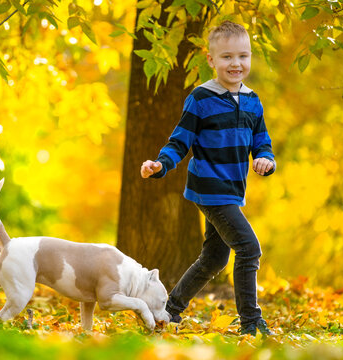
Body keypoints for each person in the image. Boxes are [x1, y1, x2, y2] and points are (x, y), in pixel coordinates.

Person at [140, 21, 275, 336]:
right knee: (249, 249)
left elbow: (262, 142)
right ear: (212, 61)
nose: (236, 64)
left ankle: (169, 311)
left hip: (232, 190)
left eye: (243, 56)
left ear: (250, 58)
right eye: (227, 57)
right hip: (209, 188)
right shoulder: (200, 98)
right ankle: (251, 322)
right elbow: (180, 142)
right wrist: (161, 164)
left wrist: (266, 159)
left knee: (214, 258)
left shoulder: (253, 101)